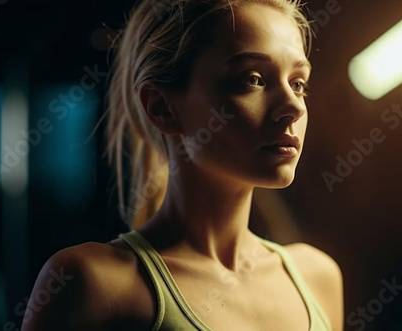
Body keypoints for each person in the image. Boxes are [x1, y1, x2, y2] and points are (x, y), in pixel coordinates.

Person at [21, 0, 344, 330]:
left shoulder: (317, 279)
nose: (293, 106)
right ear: (161, 107)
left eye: (298, 83)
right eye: (253, 78)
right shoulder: (95, 284)